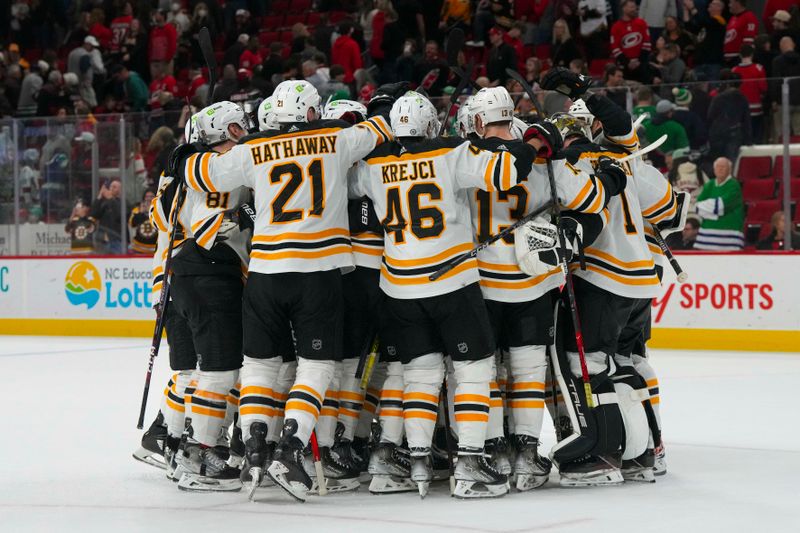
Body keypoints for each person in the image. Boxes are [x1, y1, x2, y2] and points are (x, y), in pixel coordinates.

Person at [173, 79, 399, 501]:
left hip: (264, 274)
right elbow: (383, 128)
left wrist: (187, 151)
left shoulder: (252, 150)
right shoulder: (337, 139)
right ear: (313, 113)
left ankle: (256, 447)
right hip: (318, 273)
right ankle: (292, 449)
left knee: (259, 367)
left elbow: (196, 172)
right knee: (315, 368)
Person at [349, 89, 539, 499]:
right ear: (431, 125)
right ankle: (469, 461)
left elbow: (347, 185)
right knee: (473, 370)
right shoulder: (452, 154)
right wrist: (533, 142)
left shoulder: (374, 166)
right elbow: (510, 170)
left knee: (419, 372)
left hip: (398, 285)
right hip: (451, 282)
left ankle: (413, 461)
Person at [464, 86, 626, 490]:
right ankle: (526, 455)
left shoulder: (466, 158)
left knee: (486, 373)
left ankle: (493, 448)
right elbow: (592, 199)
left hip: (479, 283)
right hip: (532, 285)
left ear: (480, 121)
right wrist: (611, 177)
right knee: (529, 371)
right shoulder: (542, 161)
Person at [540, 67, 686, 485]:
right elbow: (672, 213)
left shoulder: (567, 165)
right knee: (628, 362)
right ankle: (646, 452)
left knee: (587, 364)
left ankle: (603, 454)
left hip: (602, 277)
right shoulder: (626, 160)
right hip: (641, 278)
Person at [154, 103, 254, 491]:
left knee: (211, 370)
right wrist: (248, 211)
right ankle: (200, 459)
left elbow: (162, 218)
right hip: (210, 270)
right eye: (238, 126)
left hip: (188, 271)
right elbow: (212, 224)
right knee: (217, 370)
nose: (244, 132)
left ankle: (181, 449)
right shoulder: (218, 165)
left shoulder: (190, 166)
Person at [694, 157, 745, 250]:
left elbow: (721, 205)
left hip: (730, 237)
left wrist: (709, 209)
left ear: (730, 170)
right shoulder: (709, 184)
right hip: (706, 237)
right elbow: (698, 207)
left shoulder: (734, 185)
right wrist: (713, 208)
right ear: (714, 169)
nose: (720, 169)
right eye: (718, 166)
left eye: (723, 167)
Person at [707, 71, 752, 162]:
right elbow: (746, 120)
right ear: (740, 84)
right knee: (730, 162)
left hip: (717, 132)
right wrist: (748, 140)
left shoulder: (718, 98)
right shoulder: (742, 98)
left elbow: (710, 116)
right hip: (733, 132)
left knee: (716, 161)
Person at [683, 0, 726, 81]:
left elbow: (703, 21)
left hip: (712, 62)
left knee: (712, 89)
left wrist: (692, 8)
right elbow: (691, 28)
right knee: (698, 90)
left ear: (719, 8)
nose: (710, 4)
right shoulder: (706, 23)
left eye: (713, 4)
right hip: (700, 61)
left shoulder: (719, 21)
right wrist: (685, 11)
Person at [732, 44, 768, 143]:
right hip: (756, 107)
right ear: (752, 54)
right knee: (756, 136)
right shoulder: (758, 68)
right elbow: (763, 87)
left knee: (743, 137)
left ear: (740, 55)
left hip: (740, 110)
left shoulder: (734, 70)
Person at [610, 0, 652, 83]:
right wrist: (627, 62)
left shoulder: (642, 23)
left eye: (635, 7)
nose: (635, 9)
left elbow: (647, 43)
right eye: (631, 7)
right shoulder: (616, 27)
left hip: (642, 64)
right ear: (624, 8)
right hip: (625, 67)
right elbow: (615, 48)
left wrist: (638, 61)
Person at [770, 36, 800, 141]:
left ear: (781, 47)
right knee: (798, 132)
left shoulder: (777, 61)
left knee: (782, 132)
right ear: (793, 45)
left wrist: (774, 99)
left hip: (783, 101)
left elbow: (776, 82)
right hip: (799, 101)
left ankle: (782, 156)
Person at [67, 36, 105, 108]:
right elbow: (86, 72)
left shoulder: (72, 52)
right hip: (82, 86)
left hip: (71, 84)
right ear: (86, 44)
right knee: (91, 105)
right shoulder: (85, 55)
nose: (93, 48)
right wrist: (87, 85)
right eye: (92, 46)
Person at [91, 178, 123, 254]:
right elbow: (94, 215)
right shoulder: (103, 202)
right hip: (102, 240)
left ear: (120, 190)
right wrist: (99, 196)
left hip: (117, 239)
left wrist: (111, 199)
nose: (111, 188)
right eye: (110, 186)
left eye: (114, 187)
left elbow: (119, 215)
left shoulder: (123, 202)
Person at [723, 0, 758, 67]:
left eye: (731, 2)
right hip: (728, 60)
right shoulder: (733, 18)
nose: (729, 5)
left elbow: (749, 41)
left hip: (738, 59)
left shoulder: (749, 17)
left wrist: (744, 59)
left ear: (737, 3)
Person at [149, 8, 178, 78]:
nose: (155, 16)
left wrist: (167, 59)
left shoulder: (170, 28)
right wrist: (150, 59)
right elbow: (150, 46)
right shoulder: (154, 30)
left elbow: (172, 45)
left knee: (166, 81)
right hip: (154, 61)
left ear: (163, 16)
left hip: (165, 62)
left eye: (157, 14)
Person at [331, 22, 363, 86]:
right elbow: (357, 63)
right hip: (350, 77)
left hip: (337, 76)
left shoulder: (335, 44)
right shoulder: (352, 44)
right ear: (350, 30)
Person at [128, 189, 157, 255]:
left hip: (155, 248)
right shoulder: (137, 209)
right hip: (138, 248)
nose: (149, 198)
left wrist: (151, 211)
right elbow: (132, 224)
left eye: (151, 196)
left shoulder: (159, 210)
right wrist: (141, 212)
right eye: (147, 196)